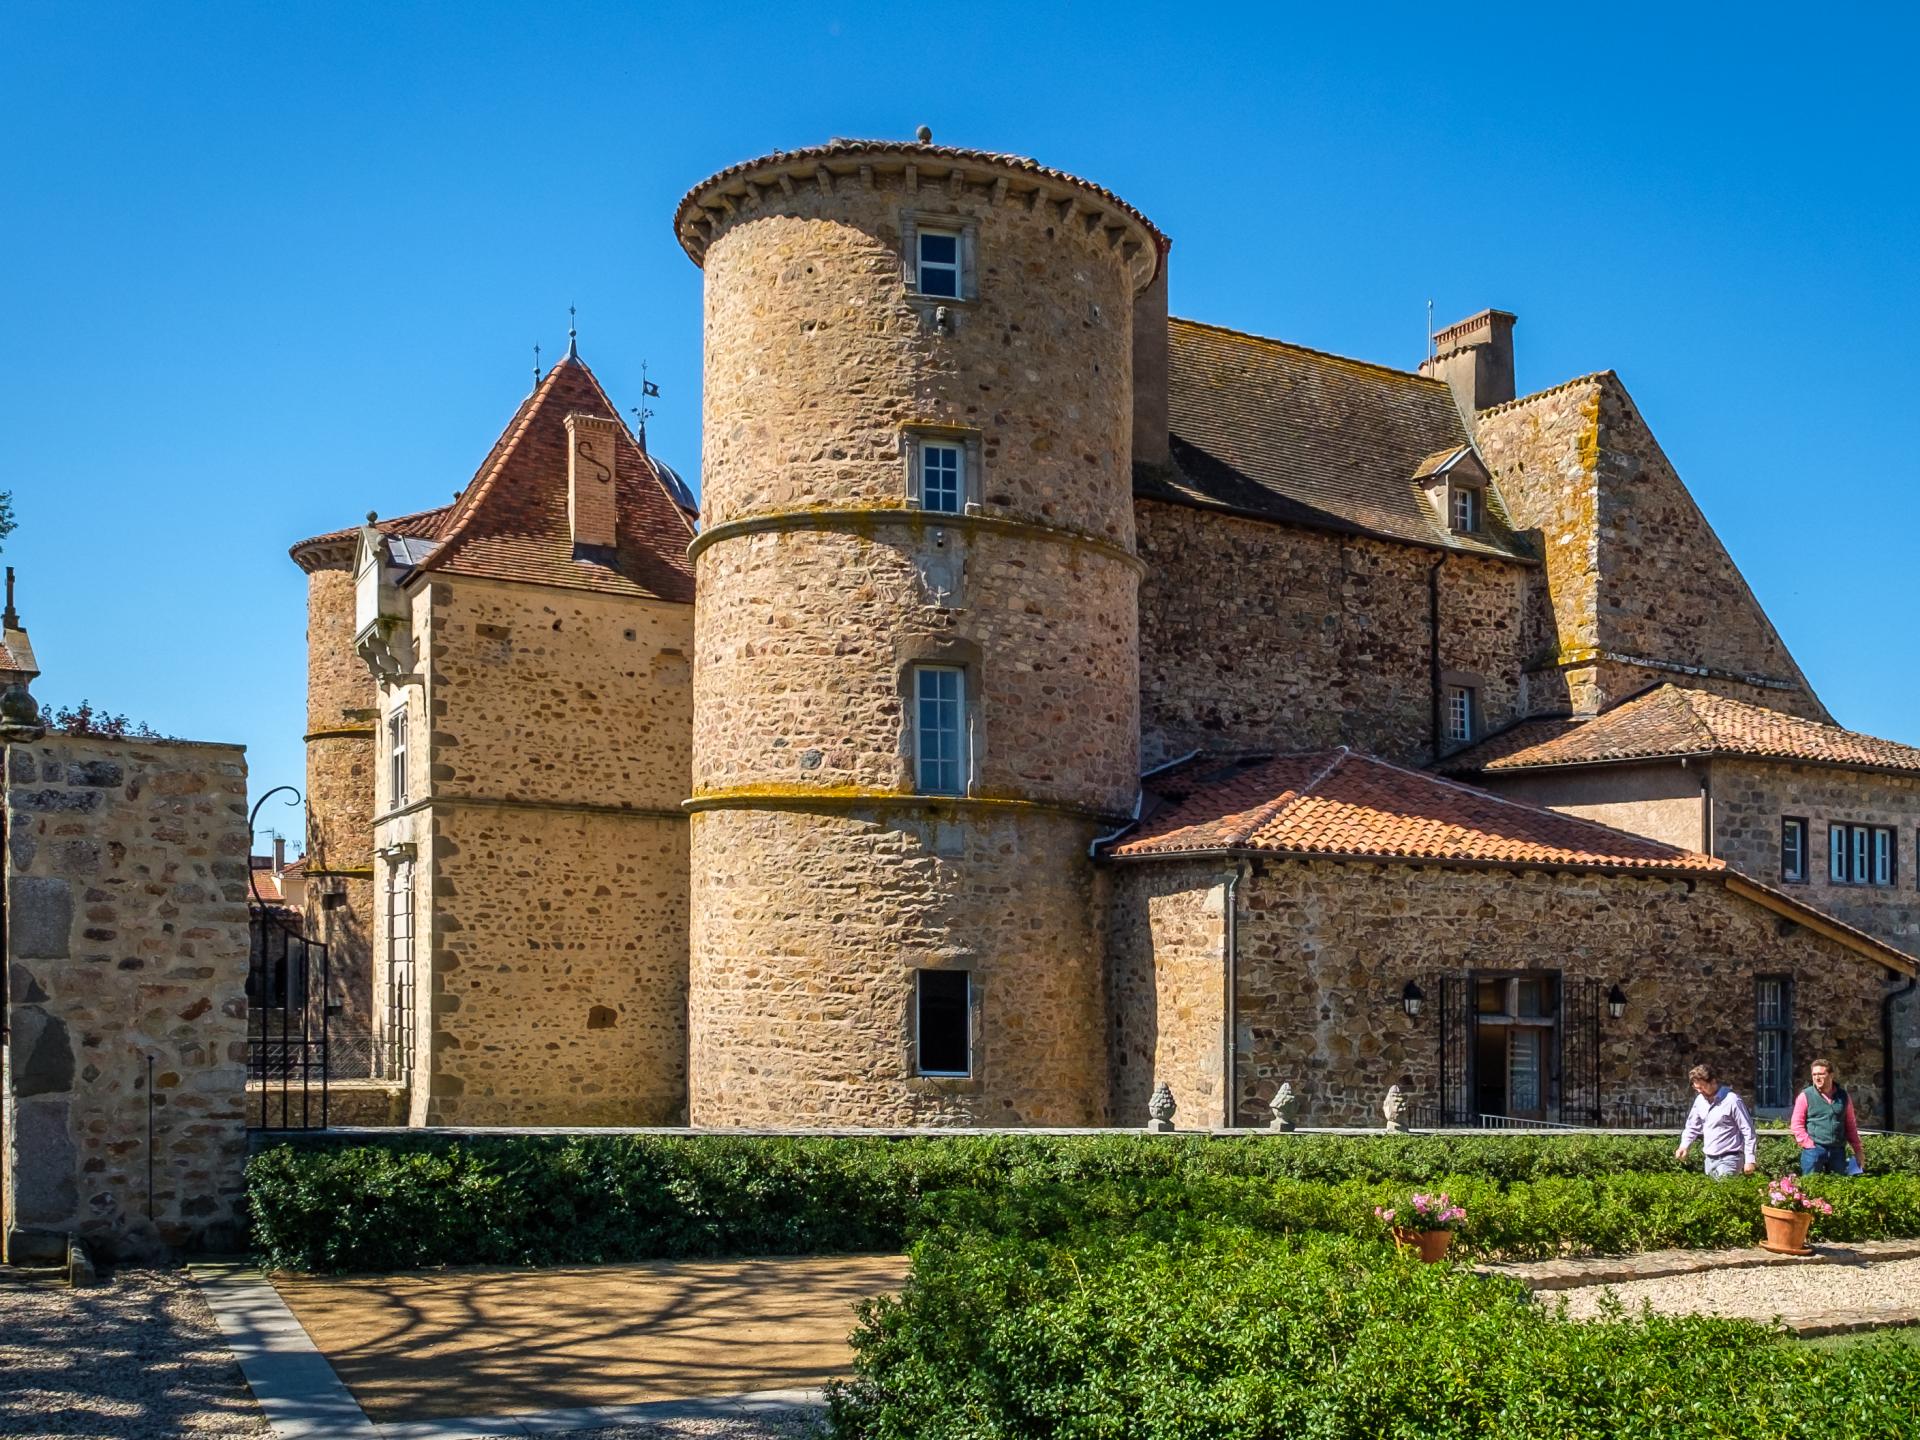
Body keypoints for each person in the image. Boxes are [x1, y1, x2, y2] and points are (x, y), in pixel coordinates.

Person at [1674, 1063, 1757, 1178]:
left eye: (1702, 1087)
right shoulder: (1699, 1101)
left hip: (1730, 1158)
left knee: (1724, 1193)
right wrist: (1684, 1146)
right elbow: (1692, 1127)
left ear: (1713, 1082)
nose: (1699, 1091)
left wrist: (1750, 1160)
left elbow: (1748, 1131)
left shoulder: (1732, 1100)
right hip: (1709, 1160)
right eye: (1696, 1088)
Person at [1790, 1058, 1865, 1176]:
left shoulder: (1843, 1096)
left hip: (1838, 1151)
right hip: (1814, 1150)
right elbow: (1796, 1124)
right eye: (1814, 1074)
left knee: (1837, 1188)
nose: (1817, 1077)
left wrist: (1858, 1150)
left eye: (1821, 1074)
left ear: (1831, 1075)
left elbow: (1850, 1124)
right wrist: (1809, 1145)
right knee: (1811, 1187)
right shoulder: (1805, 1096)